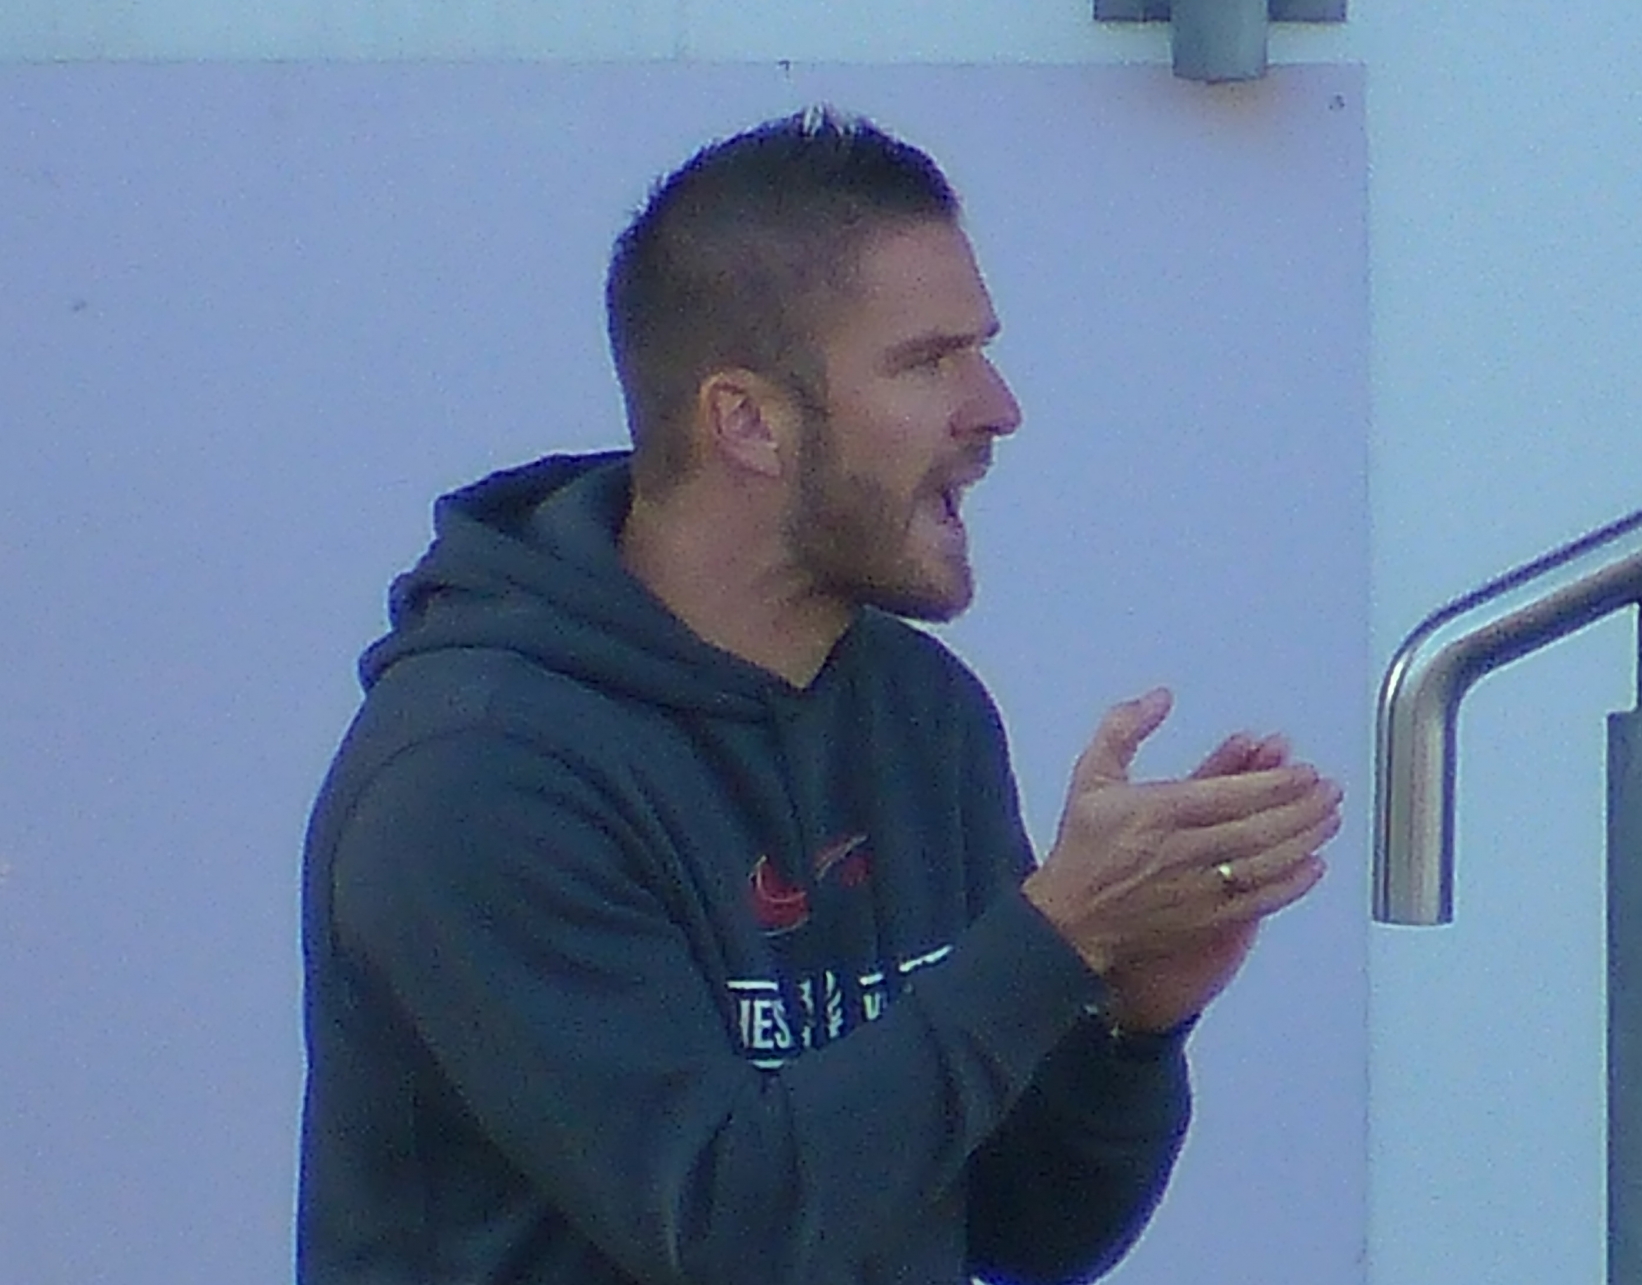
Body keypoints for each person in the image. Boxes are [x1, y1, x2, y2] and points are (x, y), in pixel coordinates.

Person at [297, 109, 1341, 1285]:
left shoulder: (920, 714)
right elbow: (729, 1228)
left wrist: (1126, 1021)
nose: (998, 407)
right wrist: (1057, 935)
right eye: (928, 361)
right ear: (747, 421)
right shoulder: (477, 775)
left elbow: (1025, 1231)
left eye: (981, 350)